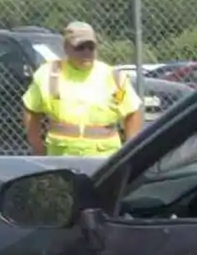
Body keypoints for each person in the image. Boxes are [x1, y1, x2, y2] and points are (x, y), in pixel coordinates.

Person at [23, 22, 142, 156]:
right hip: (60, 157)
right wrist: (37, 147)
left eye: (91, 47)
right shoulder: (47, 74)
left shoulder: (114, 78)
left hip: (104, 159)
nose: (86, 52)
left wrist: (130, 150)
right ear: (66, 48)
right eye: (80, 47)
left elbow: (132, 112)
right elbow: (32, 110)